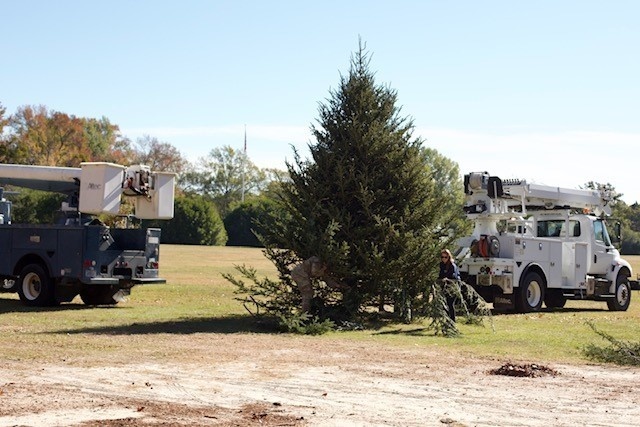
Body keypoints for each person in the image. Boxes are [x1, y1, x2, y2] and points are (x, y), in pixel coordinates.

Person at [438, 249, 460, 321]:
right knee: (445, 303)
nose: (443, 259)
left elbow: (455, 277)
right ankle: (447, 320)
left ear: (449, 257)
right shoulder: (441, 265)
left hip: (453, 286)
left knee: (450, 303)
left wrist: (447, 279)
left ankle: (452, 320)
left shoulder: (452, 265)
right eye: (442, 257)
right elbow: (440, 275)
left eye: (445, 257)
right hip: (444, 286)